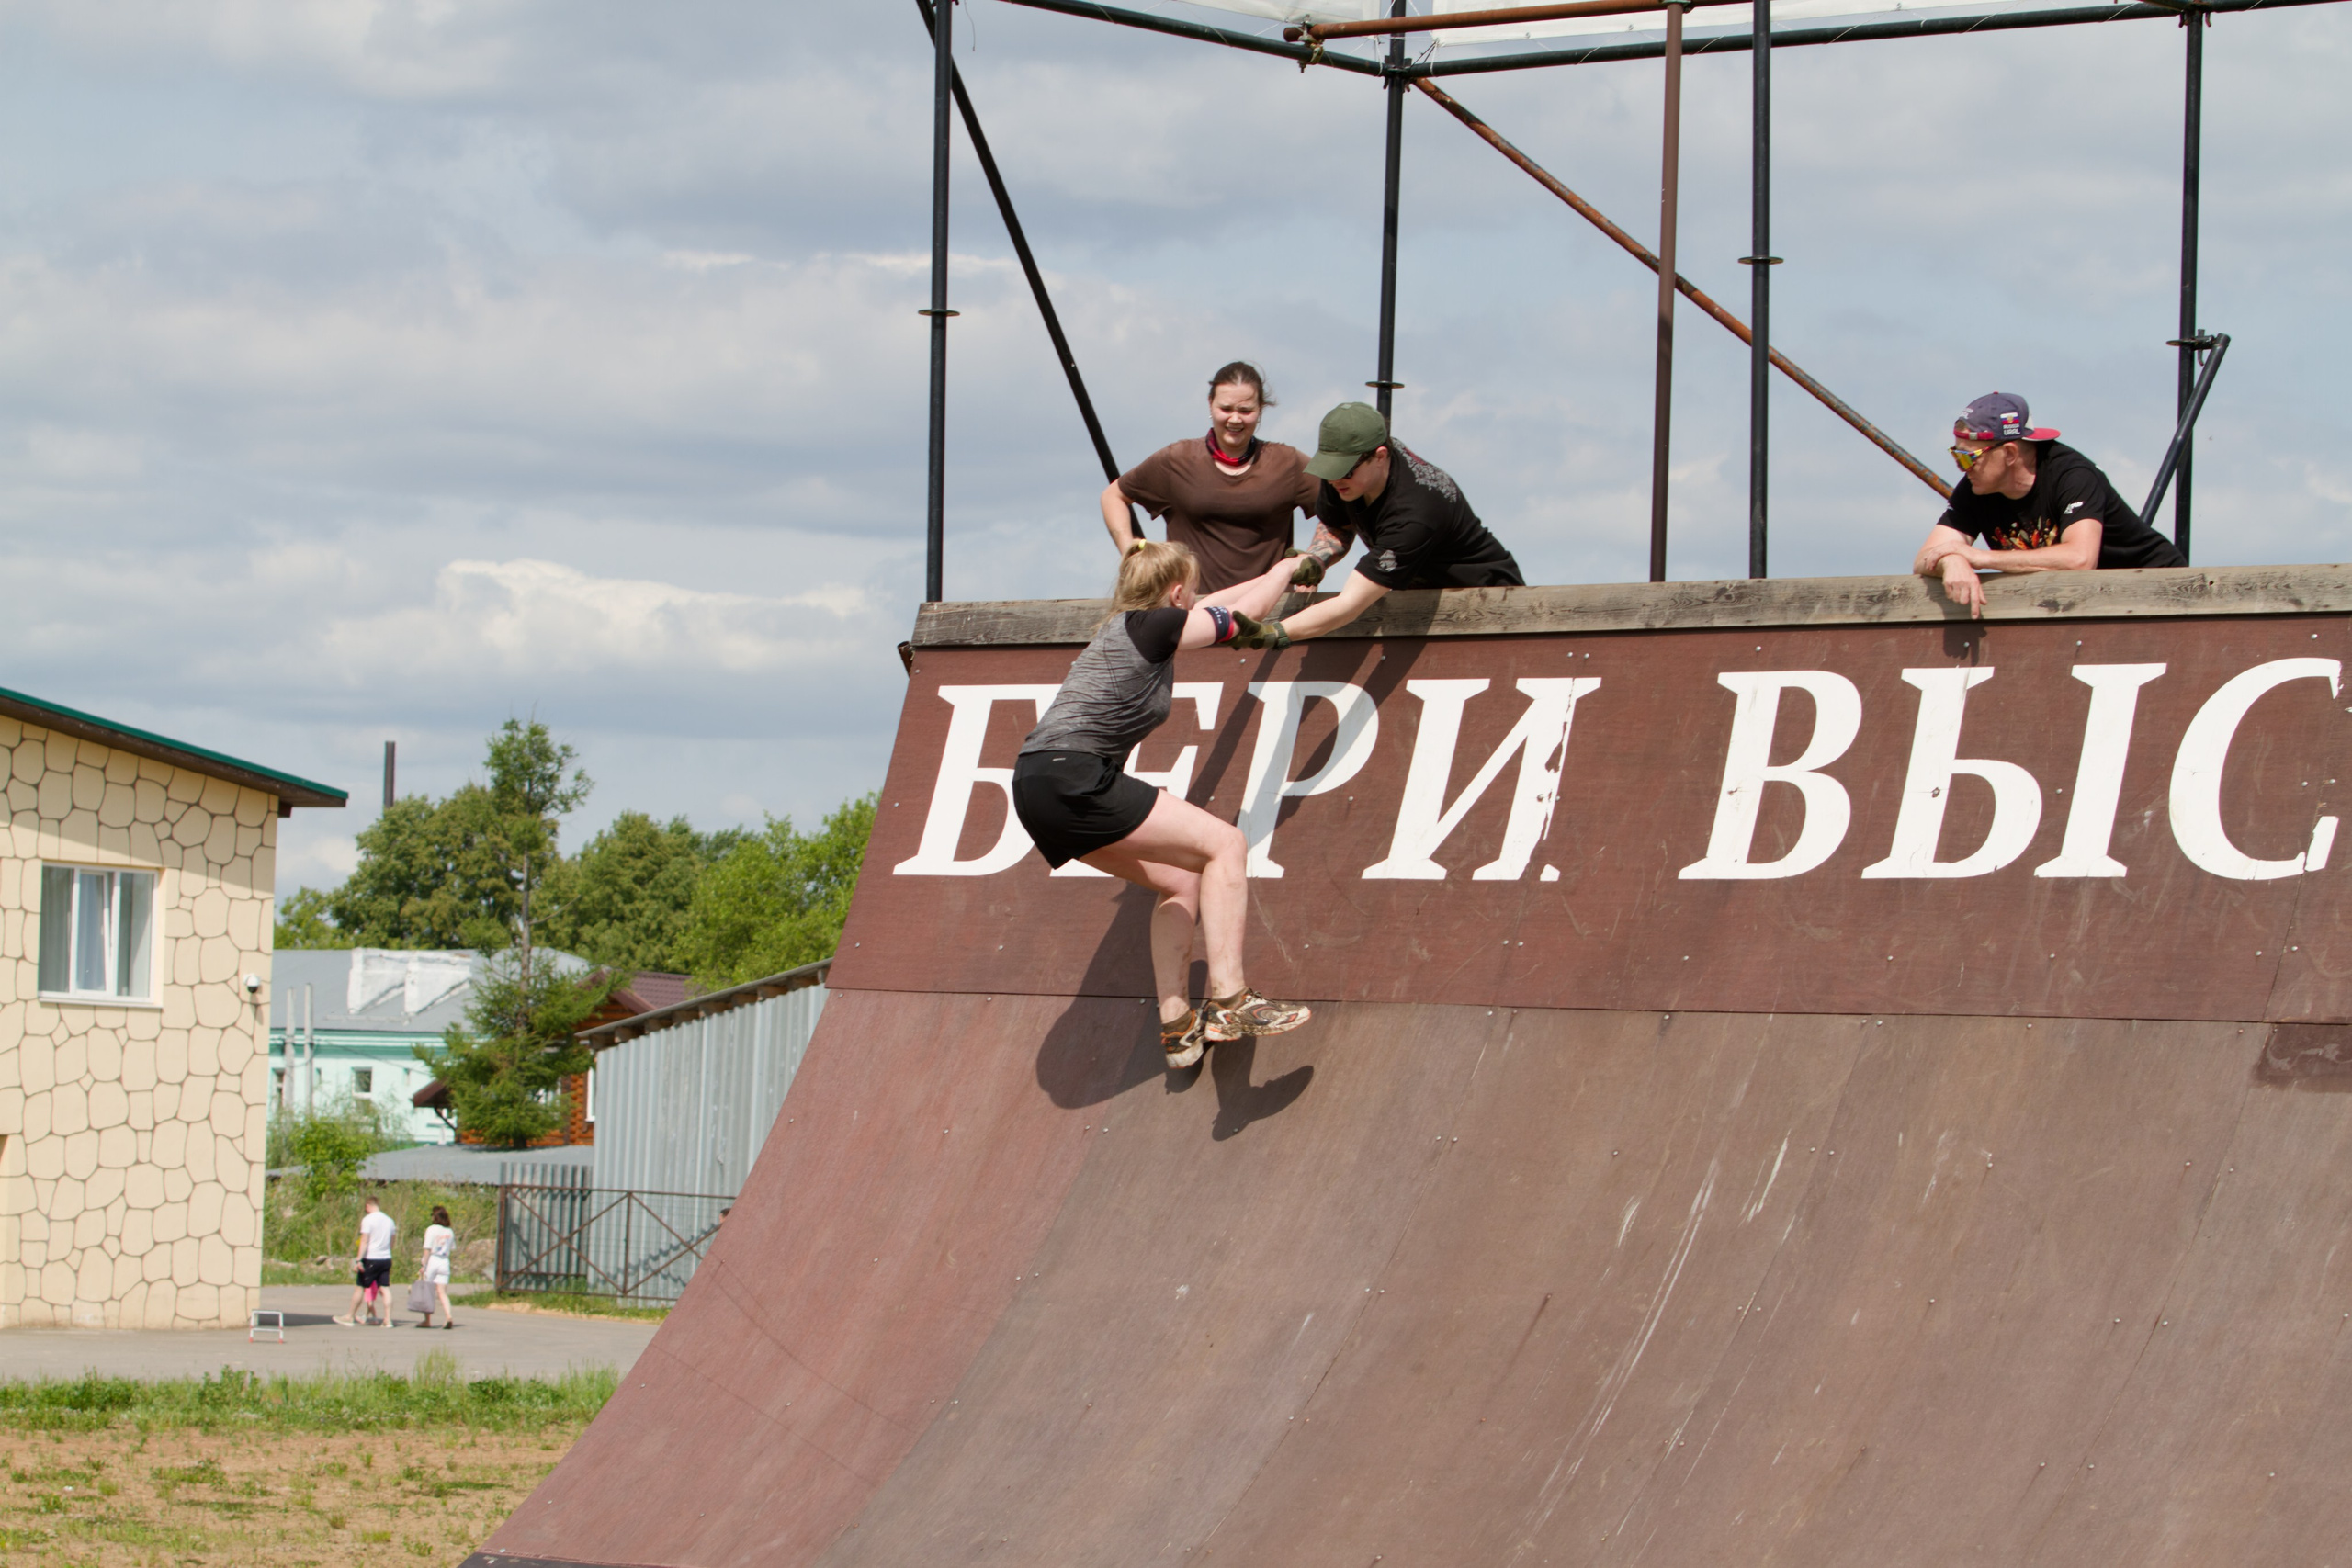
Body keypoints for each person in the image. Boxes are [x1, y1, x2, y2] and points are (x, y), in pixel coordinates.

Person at [1012, 541, 1313, 1069]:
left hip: (1035, 783)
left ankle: (1177, 1027)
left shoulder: (1125, 625)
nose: (1193, 600)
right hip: (1075, 775)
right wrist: (1290, 567)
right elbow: (1244, 615)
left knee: (1181, 878)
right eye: (1189, 593)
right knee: (1226, 843)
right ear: (1176, 592)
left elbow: (1216, 602)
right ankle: (1230, 1001)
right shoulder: (1156, 626)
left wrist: (1274, 573)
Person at [1252, 402, 1524, 646]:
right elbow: (1339, 524)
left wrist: (1273, 633)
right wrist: (1317, 560)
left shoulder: (1414, 514)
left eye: (1344, 471)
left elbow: (1350, 605)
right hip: (1423, 603)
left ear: (1380, 456)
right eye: (1329, 469)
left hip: (1490, 604)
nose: (1335, 481)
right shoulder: (1348, 472)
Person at [1914, 391, 2187, 618]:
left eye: (1968, 457)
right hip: (2086, 603)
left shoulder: (2071, 474)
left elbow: (2080, 559)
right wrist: (1952, 561)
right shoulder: (1976, 487)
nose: (1962, 467)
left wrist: (1980, 558)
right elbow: (1924, 558)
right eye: (1956, 455)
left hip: (2157, 589)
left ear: (2009, 453)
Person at [1100, 362, 1345, 592]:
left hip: (1265, 620)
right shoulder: (1177, 460)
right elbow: (1114, 496)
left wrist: (1314, 560)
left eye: (1246, 410)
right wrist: (1131, 556)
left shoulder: (1287, 463)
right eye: (1226, 409)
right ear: (1210, 405)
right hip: (1190, 616)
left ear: (1260, 410)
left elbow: (1344, 509)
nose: (1235, 419)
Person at [335, 1195, 396, 1328]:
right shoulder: (390, 1221)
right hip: (385, 1258)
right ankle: (388, 1319)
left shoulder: (368, 1220)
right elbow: (392, 1241)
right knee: (385, 1288)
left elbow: (364, 1240)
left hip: (371, 1257)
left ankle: (350, 1316)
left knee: (360, 1286)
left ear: (368, 1206)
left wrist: (359, 1259)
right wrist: (387, 1252)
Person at [415, 1204, 457, 1330]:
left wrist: (424, 1265)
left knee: (428, 1291)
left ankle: (427, 1320)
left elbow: (427, 1249)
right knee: (442, 1292)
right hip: (444, 1261)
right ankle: (448, 1316)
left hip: (433, 1260)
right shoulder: (449, 1231)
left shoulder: (431, 1229)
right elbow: (452, 1248)